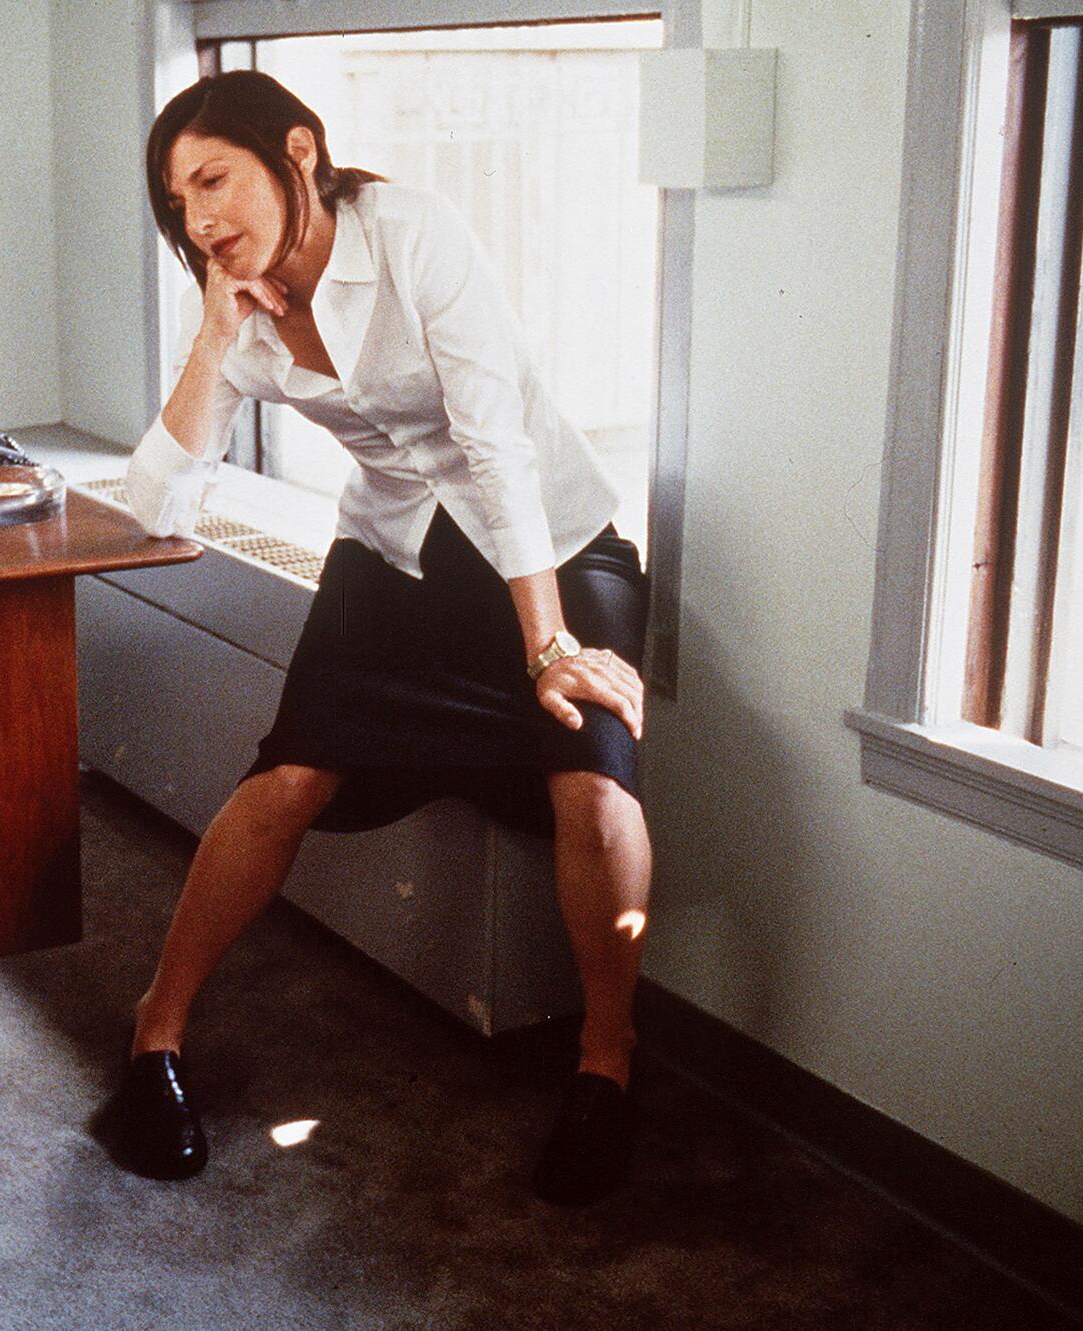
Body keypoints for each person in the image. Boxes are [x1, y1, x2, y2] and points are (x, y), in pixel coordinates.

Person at [109, 71, 652, 1206]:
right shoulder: (233, 298)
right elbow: (153, 509)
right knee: (286, 773)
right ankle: (152, 1039)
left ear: (296, 151)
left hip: (543, 541)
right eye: (178, 201)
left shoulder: (409, 233)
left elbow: (491, 442)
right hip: (394, 547)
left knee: (592, 784)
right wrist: (212, 338)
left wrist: (547, 642)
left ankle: (605, 1064)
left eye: (214, 177)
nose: (200, 217)